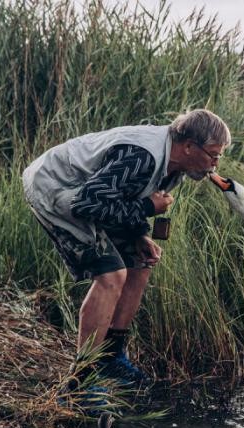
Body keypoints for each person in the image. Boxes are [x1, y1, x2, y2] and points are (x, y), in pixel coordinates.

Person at [22, 109, 231, 399]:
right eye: (213, 154)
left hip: (87, 193)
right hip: (54, 184)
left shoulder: (175, 166)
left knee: (139, 262)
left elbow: (123, 195)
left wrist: (138, 235)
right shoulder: (140, 157)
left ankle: (110, 358)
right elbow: (87, 204)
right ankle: (79, 382)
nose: (215, 163)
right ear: (188, 146)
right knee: (111, 274)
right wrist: (147, 210)